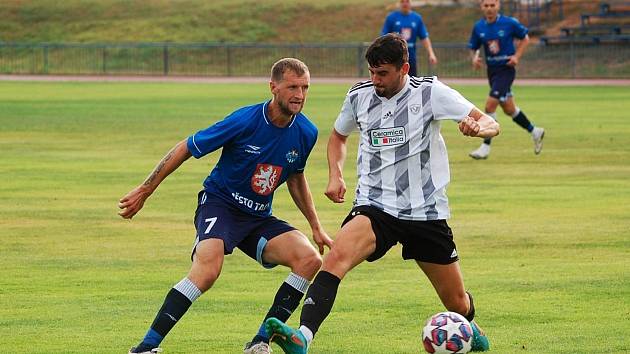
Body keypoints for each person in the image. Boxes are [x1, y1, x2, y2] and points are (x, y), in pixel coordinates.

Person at [264, 33, 498, 354]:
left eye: (383, 73)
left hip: (425, 211)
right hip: (375, 206)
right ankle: (304, 335)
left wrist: (478, 129)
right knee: (334, 259)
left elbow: (489, 122)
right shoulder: (359, 96)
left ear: (404, 68)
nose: (375, 80)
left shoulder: (430, 93)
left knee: (456, 301)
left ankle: (470, 325)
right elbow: (338, 137)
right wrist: (335, 174)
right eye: (372, 72)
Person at [118, 58, 333, 354]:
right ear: (273, 87)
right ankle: (146, 347)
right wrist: (146, 189)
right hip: (220, 205)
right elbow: (186, 147)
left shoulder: (306, 132)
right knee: (207, 271)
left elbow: (296, 176)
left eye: (305, 87)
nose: (299, 94)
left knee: (310, 259)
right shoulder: (245, 120)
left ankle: (259, 342)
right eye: (292, 87)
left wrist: (316, 226)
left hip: (257, 217)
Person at [468, 0, 544, 159]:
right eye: (486, 5)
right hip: (492, 72)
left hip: (506, 70)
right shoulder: (478, 27)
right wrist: (474, 58)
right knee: (509, 109)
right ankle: (535, 131)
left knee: (489, 106)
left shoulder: (509, 23)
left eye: (492, 5)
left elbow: (526, 38)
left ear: (498, 6)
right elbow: (473, 47)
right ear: (482, 7)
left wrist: (517, 56)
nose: (489, 8)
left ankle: (485, 147)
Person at [381, 0, 438, 77]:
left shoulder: (417, 18)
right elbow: (384, 37)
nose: (405, 3)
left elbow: (424, 37)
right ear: (399, 3)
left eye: (407, 1)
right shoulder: (391, 17)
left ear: (411, 3)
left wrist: (431, 53)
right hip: (395, 56)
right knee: (395, 79)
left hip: (411, 55)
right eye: (402, 1)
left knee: (411, 80)